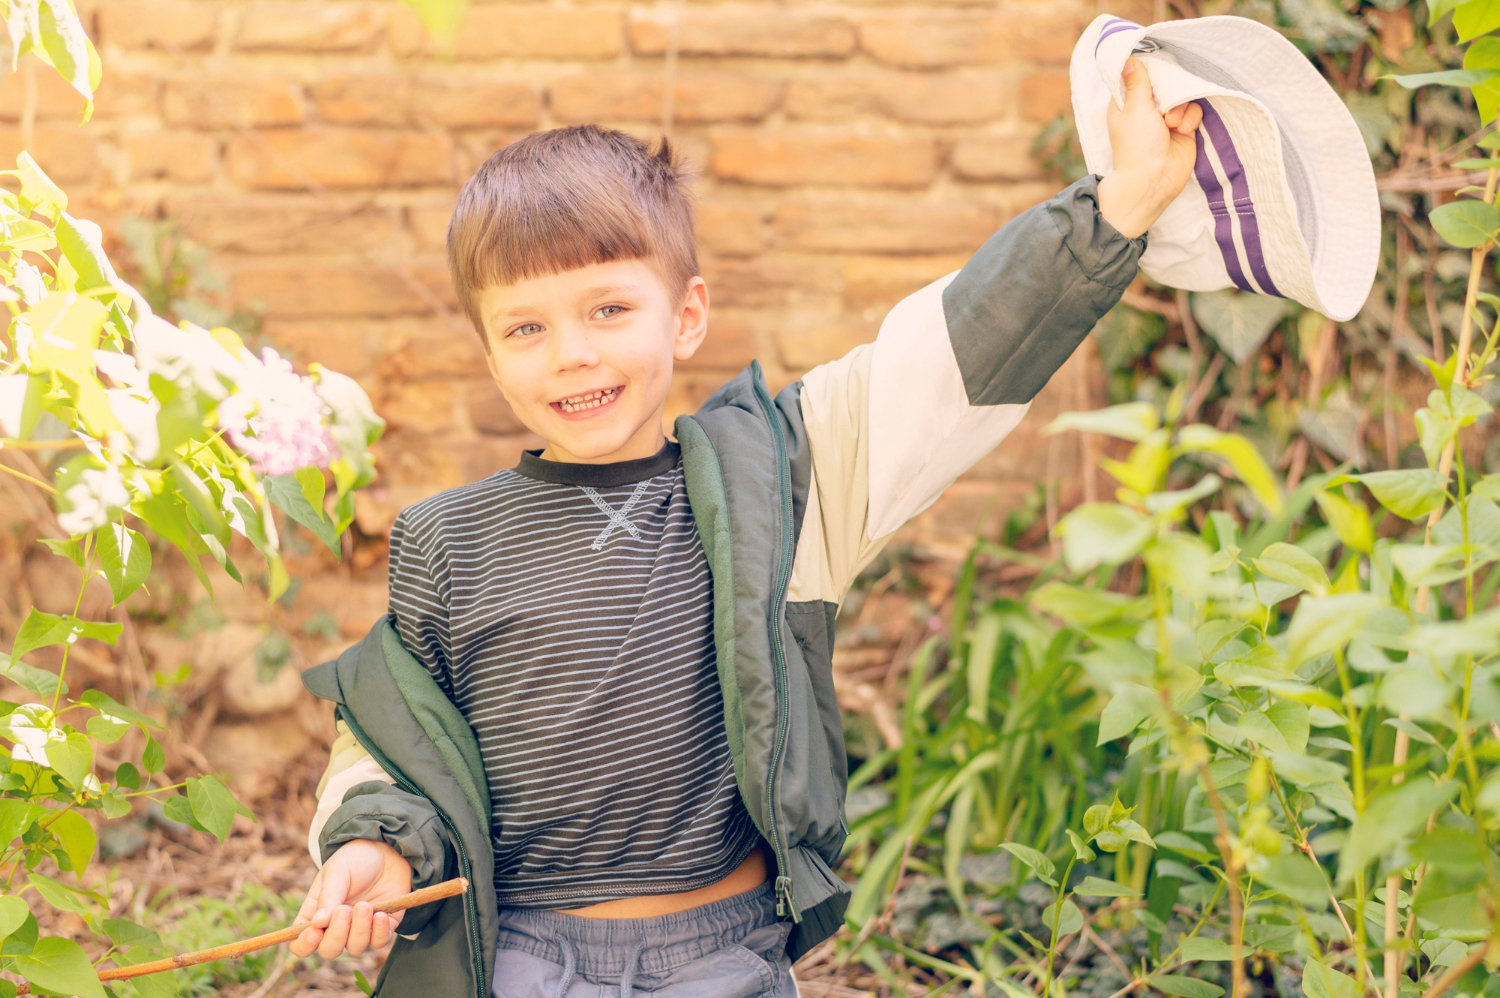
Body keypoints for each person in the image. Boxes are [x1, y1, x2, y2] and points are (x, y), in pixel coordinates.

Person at [287, 58, 1202, 998]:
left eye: (609, 307)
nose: (573, 353)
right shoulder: (447, 540)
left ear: (686, 316)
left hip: (724, 959)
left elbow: (946, 357)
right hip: (525, 956)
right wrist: (371, 841)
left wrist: (1120, 203)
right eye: (526, 329)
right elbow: (394, 737)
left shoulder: (779, 480)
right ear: (487, 352)